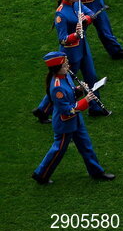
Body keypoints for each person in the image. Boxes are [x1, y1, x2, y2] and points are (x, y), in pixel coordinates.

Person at [32, 52, 114, 184]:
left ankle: (96, 172)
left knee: (86, 145)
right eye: (65, 64)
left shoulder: (65, 75)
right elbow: (67, 110)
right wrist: (86, 101)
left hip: (75, 119)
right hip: (65, 123)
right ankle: (41, 174)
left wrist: (80, 89)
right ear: (57, 68)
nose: (68, 65)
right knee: (58, 150)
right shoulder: (57, 88)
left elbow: (70, 94)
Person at [34, 0, 108, 122]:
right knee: (65, 84)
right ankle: (43, 110)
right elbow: (62, 39)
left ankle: (95, 108)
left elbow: (90, 13)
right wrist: (75, 34)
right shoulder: (60, 14)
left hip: (83, 47)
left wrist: (86, 19)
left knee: (91, 76)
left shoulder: (76, 3)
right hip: (70, 54)